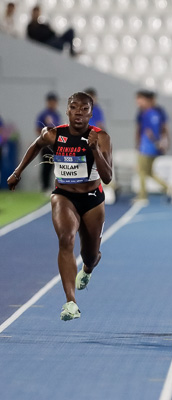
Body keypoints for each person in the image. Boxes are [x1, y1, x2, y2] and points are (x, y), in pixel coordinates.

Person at [7, 92, 113, 321]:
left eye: (84, 109)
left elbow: (108, 178)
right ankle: (70, 302)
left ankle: (88, 268)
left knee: (90, 254)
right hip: (63, 195)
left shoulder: (101, 137)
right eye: (74, 107)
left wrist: (94, 150)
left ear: (91, 114)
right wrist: (18, 172)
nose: (78, 112)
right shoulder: (55, 135)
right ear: (67, 111)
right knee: (66, 238)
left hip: (93, 198)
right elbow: (36, 146)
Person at [135, 90, 169, 202]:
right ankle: (168, 188)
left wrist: (141, 143)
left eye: (140, 99)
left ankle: (142, 196)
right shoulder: (154, 113)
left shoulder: (148, 114)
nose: (138, 102)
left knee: (141, 171)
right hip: (153, 146)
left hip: (147, 146)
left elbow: (148, 131)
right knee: (149, 172)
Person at [36, 92, 61, 192]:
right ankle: (44, 187)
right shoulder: (43, 114)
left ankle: (52, 185)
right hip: (46, 144)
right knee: (46, 165)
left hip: (54, 144)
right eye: (51, 102)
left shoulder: (57, 115)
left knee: (54, 166)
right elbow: (38, 128)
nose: (52, 104)